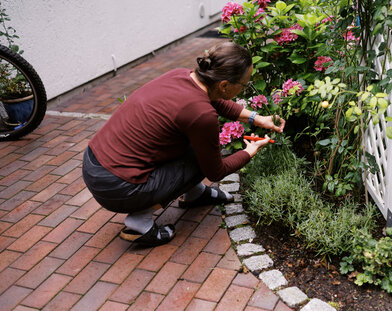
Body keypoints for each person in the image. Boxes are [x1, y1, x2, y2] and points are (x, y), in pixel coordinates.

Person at [82, 42, 285, 246]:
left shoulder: (181, 75)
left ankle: (194, 195)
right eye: (243, 85)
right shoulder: (201, 114)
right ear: (224, 85)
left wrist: (258, 118)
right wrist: (250, 151)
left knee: (196, 146)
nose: (244, 89)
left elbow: (216, 100)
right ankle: (140, 222)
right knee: (203, 156)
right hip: (117, 187)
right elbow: (215, 171)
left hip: (94, 162)